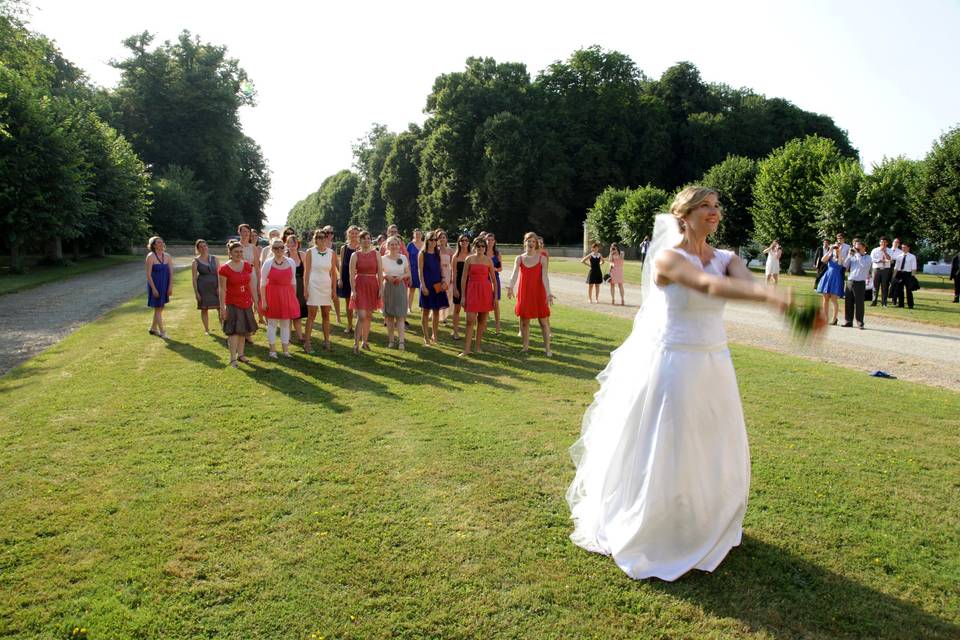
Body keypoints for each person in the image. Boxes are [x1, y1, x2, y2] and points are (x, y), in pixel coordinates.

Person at [566, 186, 797, 582]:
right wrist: (771, 297)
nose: (714, 212)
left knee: (709, 443)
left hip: (714, 362)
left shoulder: (727, 258)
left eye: (717, 206)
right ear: (684, 214)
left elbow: (738, 279)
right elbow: (707, 286)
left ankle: (701, 521)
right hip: (674, 362)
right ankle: (656, 525)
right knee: (669, 443)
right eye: (705, 206)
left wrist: (768, 292)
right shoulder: (669, 258)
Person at [507, 232, 554, 356]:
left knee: (543, 322)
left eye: (533, 241)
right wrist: (511, 287)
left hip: (539, 293)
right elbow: (515, 274)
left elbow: (545, 277)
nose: (531, 243)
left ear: (536, 243)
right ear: (525, 242)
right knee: (524, 322)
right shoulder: (519, 258)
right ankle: (525, 347)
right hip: (525, 292)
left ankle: (548, 349)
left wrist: (549, 293)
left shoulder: (542, 258)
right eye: (529, 241)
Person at [218, 240, 259, 367]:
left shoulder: (247, 266)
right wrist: (222, 307)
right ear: (230, 253)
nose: (239, 254)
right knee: (234, 332)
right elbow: (222, 289)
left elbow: (251, 285)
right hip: (232, 303)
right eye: (236, 252)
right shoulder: (224, 269)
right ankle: (232, 358)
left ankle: (241, 355)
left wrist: (256, 302)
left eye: (241, 251)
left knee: (243, 331)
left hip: (246, 302)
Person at [260, 240, 300, 358]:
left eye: (281, 248)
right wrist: (264, 301)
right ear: (272, 249)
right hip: (271, 295)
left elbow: (293, 282)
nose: (279, 250)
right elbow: (262, 284)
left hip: (287, 295)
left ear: (284, 248)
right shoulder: (268, 263)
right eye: (276, 248)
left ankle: (285, 350)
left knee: (285, 323)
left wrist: (294, 298)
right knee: (272, 323)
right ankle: (272, 350)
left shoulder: (291, 262)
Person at [458, 237, 497, 357]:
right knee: (469, 320)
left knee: (482, 321)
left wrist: (494, 297)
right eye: (478, 246)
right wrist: (463, 296)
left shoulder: (488, 260)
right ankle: (466, 349)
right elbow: (463, 279)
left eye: (483, 246)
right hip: (472, 291)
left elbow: (494, 281)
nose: (480, 248)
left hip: (485, 292)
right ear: (474, 247)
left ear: (485, 248)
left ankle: (478, 347)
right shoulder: (469, 259)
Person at [349, 231, 383, 353]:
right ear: (360, 240)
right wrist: (353, 290)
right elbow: (351, 275)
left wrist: (381, 288)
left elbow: (379, 272)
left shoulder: (376, 254)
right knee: (361, 315)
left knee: (368, 315)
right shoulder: (355, 255)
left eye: (369, 238)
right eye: (364, 239)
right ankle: (355, 344)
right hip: (360, 285)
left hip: (372, 285)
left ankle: (365, 342)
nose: (367, 240)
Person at [304, 229, 337, 353]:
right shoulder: (310, 252)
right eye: (319, 237)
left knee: (326, 314)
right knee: (311, 315)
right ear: (315, 239)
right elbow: (306, 272)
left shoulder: (331, 253)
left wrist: (334, 290)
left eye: (324, 237)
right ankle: (307, 343)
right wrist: (306, 289)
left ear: (327, 238)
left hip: (326, 286)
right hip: (313, 285)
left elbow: (333, 273)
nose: (321, 239)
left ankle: (327, 341)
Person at [418, 231, 449, 345]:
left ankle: (434, 335)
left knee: (436, 311)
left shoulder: (437, 253)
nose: (434, 242)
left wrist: (444, 280)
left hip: (437, 285)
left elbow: (440, 269)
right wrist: (424, 286)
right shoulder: (422, 253)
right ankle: (426, 337)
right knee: (425, 311)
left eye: (435, 240)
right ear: (427, 240)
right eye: (431, 240)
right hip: (427, 285)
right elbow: (420, 272)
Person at [381, 236, 411, 350]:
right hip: (387, 287)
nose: (394, 246)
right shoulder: (382, 258)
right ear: (387, 246)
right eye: (391, 244)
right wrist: (386, 276)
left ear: (399, 246)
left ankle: (401, 341)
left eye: (396, 244)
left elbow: (408, 273)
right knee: (389, 316)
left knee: (400, 316)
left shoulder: (403, 258)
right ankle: (391, 340)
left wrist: (401, 277)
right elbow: (380, 273)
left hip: (400, 287)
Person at [145, 236, 173, 338]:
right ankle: (162, 332)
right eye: (159, 242)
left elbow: (171, 273)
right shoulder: (150, 256)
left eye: (162, 242)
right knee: (158, 308)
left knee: (160, 307)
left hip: (165, 284)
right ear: (154, 245)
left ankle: (153, 328)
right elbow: (148, 275)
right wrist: (153, 289)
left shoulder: (168, 256)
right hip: (155, 285)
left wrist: (170, 286)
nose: (161, 244)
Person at [191, 239, 220, 335]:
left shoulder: (215, 259)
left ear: (207, 246)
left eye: (205, 246)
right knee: (204, 309)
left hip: (215, 286)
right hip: (203, 288)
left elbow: (220, 274)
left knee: (220, 308)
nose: (203, 248)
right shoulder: (195, 261)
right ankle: (207, 329)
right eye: (201, 247)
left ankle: (224, 327)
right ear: (198, 249)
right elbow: (194, 278)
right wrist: (196, 293)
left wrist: (219, 287)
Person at [842, 238, 872, 329]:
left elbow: (863, 265)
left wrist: (857, 254)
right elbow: (845, 265)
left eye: (858, 247)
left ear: (864, 248)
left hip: (860, 283)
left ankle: (860, 322)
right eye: (856, 247)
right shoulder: (853, 256)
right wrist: (849, 255)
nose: (856, 249)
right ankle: (848, 321)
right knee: (848, 302)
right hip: (850, 281)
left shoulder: (868, 257)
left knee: (859, 303)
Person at [336, 225, 360, 333]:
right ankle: (349, 325)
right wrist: (340, 278)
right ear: (348, 234)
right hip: (346, 277)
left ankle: (360, 326)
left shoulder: (361, 247)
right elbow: (341, 264)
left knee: (360, 303)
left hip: (358, 277)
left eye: (356, 233)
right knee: (348, 303)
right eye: (352, 233)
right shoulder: (343, 248)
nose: (354, 235)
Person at [816, 241, 846, 325]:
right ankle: (825, 318)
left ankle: (834, 319)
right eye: (836, 246)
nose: (837, 248)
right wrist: (831, 250)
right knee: (825, 298)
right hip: (827, 277)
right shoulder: (830, 256)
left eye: (838, 246)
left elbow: (840, 263)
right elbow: (822, 259)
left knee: (834, 299)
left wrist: (839, 252)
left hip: (836, 279)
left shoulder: (841, 257)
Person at [285, 233, 308, 343]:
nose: (292, 244)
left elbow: (307, 272)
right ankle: (288, 337)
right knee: (289, 313)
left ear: (297, 243)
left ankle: (300, 336)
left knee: (298, 313)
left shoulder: (302, 255)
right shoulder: (285, 256)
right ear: (287, 244)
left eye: (294, 242)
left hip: (300, 286)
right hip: (288, 286)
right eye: (290, 242)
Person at [450, 235, 470, 340]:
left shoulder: (471, 255)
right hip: (458, 284)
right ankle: (455, 332)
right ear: (459, 242)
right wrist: (454, 288)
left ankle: (469, 332)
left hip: (470, 284)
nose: (464, 242)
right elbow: (454, 273)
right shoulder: (455, 256)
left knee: (469, 309)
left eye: (466, 240)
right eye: (462, 240)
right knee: (457, 309)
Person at [486, 232, 503, 333]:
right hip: (484, 279)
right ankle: (484, 325)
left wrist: (494, 269)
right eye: (488, 240)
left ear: (494, 241)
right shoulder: (482, 252)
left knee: (495, 302)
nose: (490, 242)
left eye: (492, 240)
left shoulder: (497, 254)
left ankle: (497, 326)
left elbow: (500, 268)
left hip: (495, 279)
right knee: (485, 302)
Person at [892, 241, 918, 309]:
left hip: (908, 274)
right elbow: (896, 267)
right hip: (900, 274)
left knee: (909, 290)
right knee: (900, 289)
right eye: (902, 247)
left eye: (905, 247)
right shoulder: (899, 256)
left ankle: (910, 305)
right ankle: (901, 304)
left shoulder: (912, 257)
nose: (903, 249)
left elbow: (914, 268)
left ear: (908, 248)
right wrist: (894, 276)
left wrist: (913, 277)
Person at [870, 237, 894, 307]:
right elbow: (872, 259)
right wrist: (881, 261)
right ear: (879, 243)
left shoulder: (890, 250)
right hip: (876, 269)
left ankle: (884, 302)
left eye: (884, 242)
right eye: (882, 242)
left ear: (887, 243)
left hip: (886, 270)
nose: (883, 244)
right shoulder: (875, 250)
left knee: (885, 286)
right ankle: (874, 301)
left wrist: (884, 252)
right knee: (875, 286)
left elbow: (890, 259)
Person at [407, 229, 424, 313]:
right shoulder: (410, 245)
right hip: (412, 270)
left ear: (422, 235)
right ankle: (409, 307)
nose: (417, 235)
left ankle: (422, 306)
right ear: (413, 235)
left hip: (423, 270)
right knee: (412, 289)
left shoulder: (425, 244)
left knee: (422, 288)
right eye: (416, 234)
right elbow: (407, 258)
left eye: (419, 234)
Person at [889, 238, 904, 306]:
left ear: (899, 244)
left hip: (896, 268)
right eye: (895, 242)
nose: (896, 243)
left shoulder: (901, 252)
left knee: (895, 284)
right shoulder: (888, 250)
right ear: (892, 242)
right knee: (886, 284)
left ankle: (894, 299)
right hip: (887, 267)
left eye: (898, 242)